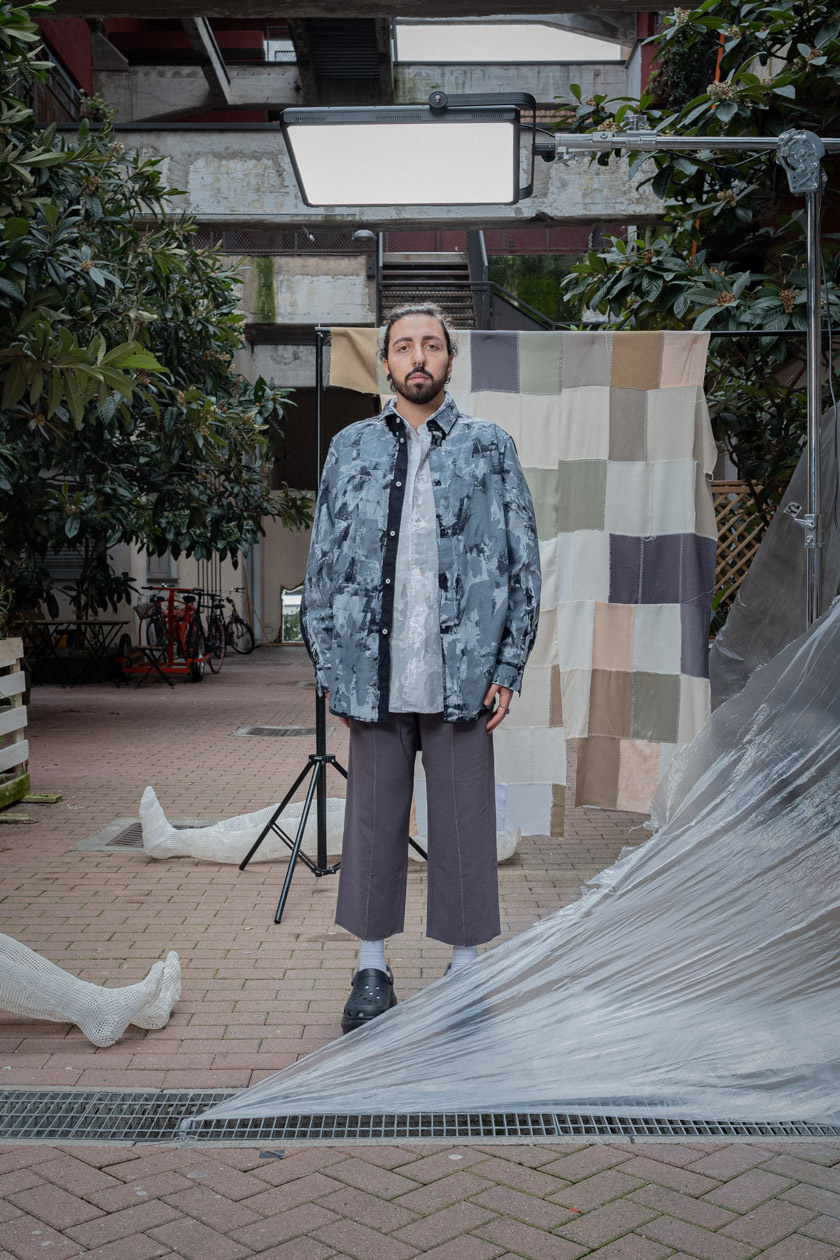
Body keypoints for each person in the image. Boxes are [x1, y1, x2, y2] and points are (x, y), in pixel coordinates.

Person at [301, 304, 541, 1032]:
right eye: (404, 345)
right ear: (386, 361)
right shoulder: (350, 448)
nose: (418, 357)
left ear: (449, 359)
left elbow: (522, 563)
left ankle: (465, 971)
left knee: (464, 821)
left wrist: (509, 664)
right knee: (373, 822)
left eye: (431, 345)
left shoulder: (490, 446)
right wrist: (330, 667)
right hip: (374, 672)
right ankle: (371, 967)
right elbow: (322, 565)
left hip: (462, 674)